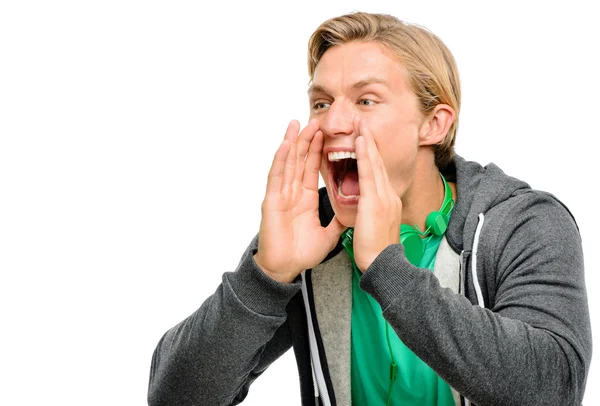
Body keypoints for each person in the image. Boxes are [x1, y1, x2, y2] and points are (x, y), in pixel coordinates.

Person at [147, 11, 592, 406]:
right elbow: (172, 398)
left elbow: (551, 389)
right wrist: (266, 277)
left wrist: (385, 266)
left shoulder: (523, 224)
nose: (333, 122)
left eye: (365, 100)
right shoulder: (311, 234)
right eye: (321, 103)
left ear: (434, 124)